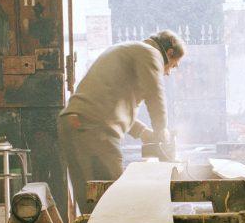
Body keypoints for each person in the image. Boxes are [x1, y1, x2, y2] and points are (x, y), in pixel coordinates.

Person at [58, 29, 186, 213]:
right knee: (115, 202)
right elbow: (155, 96)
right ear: (169, 53)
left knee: (92, 204)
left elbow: (110, 104)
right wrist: (162, 131)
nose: (168, 73)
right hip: (92, 129)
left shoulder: (129, 51)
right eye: (173, 66)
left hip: (75, 123)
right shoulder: (149, 54)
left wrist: (143, 133)